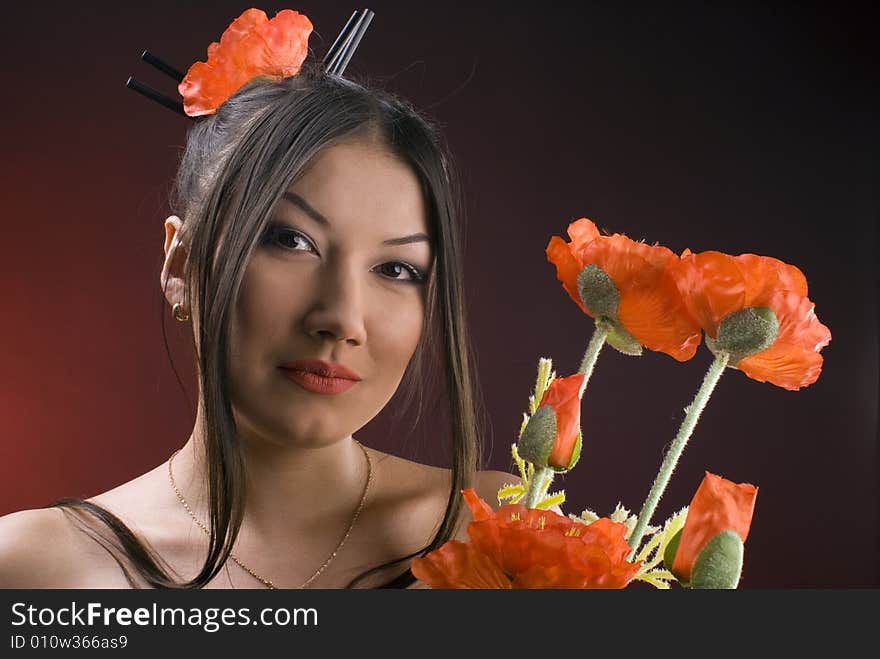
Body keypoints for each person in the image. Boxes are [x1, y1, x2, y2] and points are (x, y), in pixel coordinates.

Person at [0, 9, 518, 589]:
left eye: (396, 269)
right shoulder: (37, 569)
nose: (341, 319)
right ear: (182, 263)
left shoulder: (507, 534)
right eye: (291, 240)